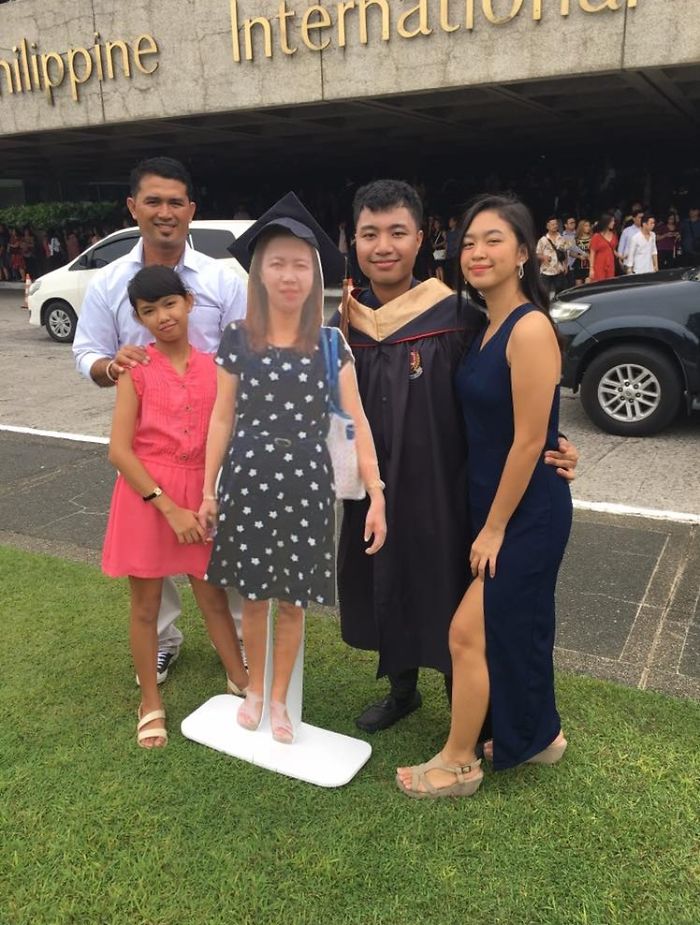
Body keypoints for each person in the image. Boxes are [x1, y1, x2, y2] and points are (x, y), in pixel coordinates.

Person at [333, 179, 578, 734]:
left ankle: (466, 707)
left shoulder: (460, 318)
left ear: (421, 239)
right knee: (385, 577)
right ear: (355, 242)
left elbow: (504, 399)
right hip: (375, 486)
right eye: (370, 234)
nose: (384, 246)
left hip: (447, 481)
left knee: (448, 582)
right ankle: (402, 690)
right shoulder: (344, 322)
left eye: (398, 232)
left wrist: (554, 444)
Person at [396, 194, 572, 798]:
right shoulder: (486, 325)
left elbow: (529, 442)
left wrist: (494, 528)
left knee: (469, 633)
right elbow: (522, 421)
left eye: (493, 240)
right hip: (496, 502)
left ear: (524, 253)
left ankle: (459, 761)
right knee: (521, 625)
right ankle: (539, 735)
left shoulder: (528, 327)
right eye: (469, 241)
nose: (477, 252)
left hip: (526, 511)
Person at [200, 193, 386, 744]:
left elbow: (358, 423)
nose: (288, 275)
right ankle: (256, 689)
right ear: (259, 274)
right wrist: (209, 491)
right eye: (276, 264)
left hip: (308, 482)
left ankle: (280, 701)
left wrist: (376, 489)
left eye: (299, 264)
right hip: (247, 480)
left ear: (315, 274)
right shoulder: (237, 339)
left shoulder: (332, 345)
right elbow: (221, 418)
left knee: (294, 602)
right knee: (254, 598)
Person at [73, 156, 247, 683]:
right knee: (153, 554)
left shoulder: (221, 278)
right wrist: (112, 365)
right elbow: (87, 352)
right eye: (153, 201)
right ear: (133, 207)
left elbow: (244, 351)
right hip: (151, 440)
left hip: (216, 438)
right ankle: (165, 640)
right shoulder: (108, 283)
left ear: (191, 210)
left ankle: (237, 638)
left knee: (219, 541)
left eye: (176, 202)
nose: (165, 212)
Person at [103, 265, 248, 749]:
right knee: (145, 606)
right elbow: (119, 450)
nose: (162, 317)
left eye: (169, 304)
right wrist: (168, 508)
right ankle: (151, 701)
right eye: (149, 311)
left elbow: (226, 436)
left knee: (213, 597)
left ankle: (241, 681)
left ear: (188, 302)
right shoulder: (136, 369)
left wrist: (208, 499)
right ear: (140, 318)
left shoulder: (217, 366)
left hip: (200, 495)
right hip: (147, 497)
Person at [536, 217, 568, 296]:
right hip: (546, 270)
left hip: (559, 269)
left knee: (560, 292)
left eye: (556, 224)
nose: (555, 226)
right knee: (545, 293)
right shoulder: (543, 240)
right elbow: (536, 254)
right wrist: (543, 257)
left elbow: (565, 252)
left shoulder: (562, 238)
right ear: (547, 226)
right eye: (552, 224)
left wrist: (565, 265)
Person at [587, 213, 619, 283]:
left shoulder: (614, 235)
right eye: (612, 221)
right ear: (606, 222)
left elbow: (613, 250)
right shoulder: (596, 236)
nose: (613, 223)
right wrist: (591, 269)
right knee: (600, 283)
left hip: (610, 264)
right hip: (599, 264)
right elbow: (592, 253)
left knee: (610, 283)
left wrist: (621, 256)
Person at [572, 219, 592, 286]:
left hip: (589, 265)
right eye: (586, 226)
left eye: (589, 226)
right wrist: (579, 257)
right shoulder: (576, 239)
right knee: (578, 287)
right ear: (581, 227)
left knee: (588, 285)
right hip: (579, 265)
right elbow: (571, 253)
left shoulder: (592, 238)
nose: (588, 228)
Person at [430, 216, 447, 282]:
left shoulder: (442, 232)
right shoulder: (434, 233)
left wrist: (437, 245)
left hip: (441, 250)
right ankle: (438, 281)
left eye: (437, 223)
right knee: (436, 267)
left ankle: (442, 281)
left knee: (440, 267)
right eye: (435, 224)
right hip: (435, 252)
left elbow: (445, 241)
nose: (436, 225)